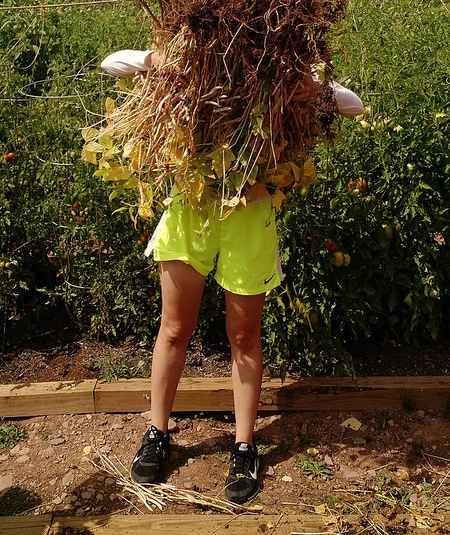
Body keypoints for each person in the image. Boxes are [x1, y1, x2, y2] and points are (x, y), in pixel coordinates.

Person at [100, 48, 363, 503]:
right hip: (191, 206)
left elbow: (353, 104)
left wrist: (307, 86)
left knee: (243, 335)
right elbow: (112, 63)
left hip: (250, 210)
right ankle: (157, 432)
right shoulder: (195, 54)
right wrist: (161, 58)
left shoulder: (280, 69)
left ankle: (244, 446)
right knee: (174, 327)